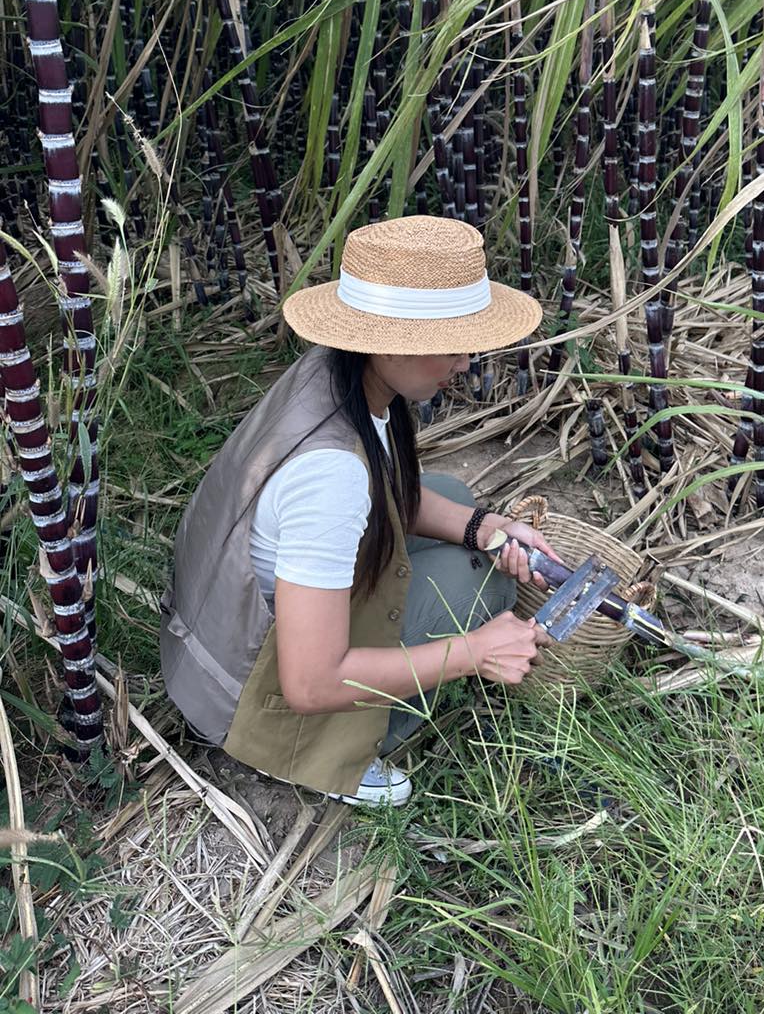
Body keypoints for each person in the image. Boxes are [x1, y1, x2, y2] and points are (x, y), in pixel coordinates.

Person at [160, 215, 560, 808]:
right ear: (390, 340)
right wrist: (476, 652)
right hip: (249, 698)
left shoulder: (336, 372)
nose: (466, 359)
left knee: (456, 499)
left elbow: (393, 490)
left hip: (213, 637)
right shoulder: (331, 476)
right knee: (474, 583)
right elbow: (309, 681)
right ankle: (327, 756)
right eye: (451, 342)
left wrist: (485, 528)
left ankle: (469, 540)